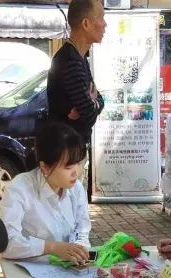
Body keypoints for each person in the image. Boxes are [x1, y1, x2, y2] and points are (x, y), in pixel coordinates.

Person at [0, 122, 91, 264]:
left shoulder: (76, 188)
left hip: (67, 267)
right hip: (30, 266)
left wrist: (79, 249)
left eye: (79, 163)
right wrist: (51, 247)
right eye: (68, 167)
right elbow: (5, 243)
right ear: (44, 167)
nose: (76, 173)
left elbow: (82, 228)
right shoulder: (20, 189)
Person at [47, 0, 106, 193]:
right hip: (65, 156)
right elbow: (89, 114)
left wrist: (92, 102)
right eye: (101, 18)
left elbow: (99, 100)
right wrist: (91, 103)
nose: (105, 24)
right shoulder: (70, 61)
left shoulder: (80, 58)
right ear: (86, 23)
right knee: (66, 205)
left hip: (73, 151)